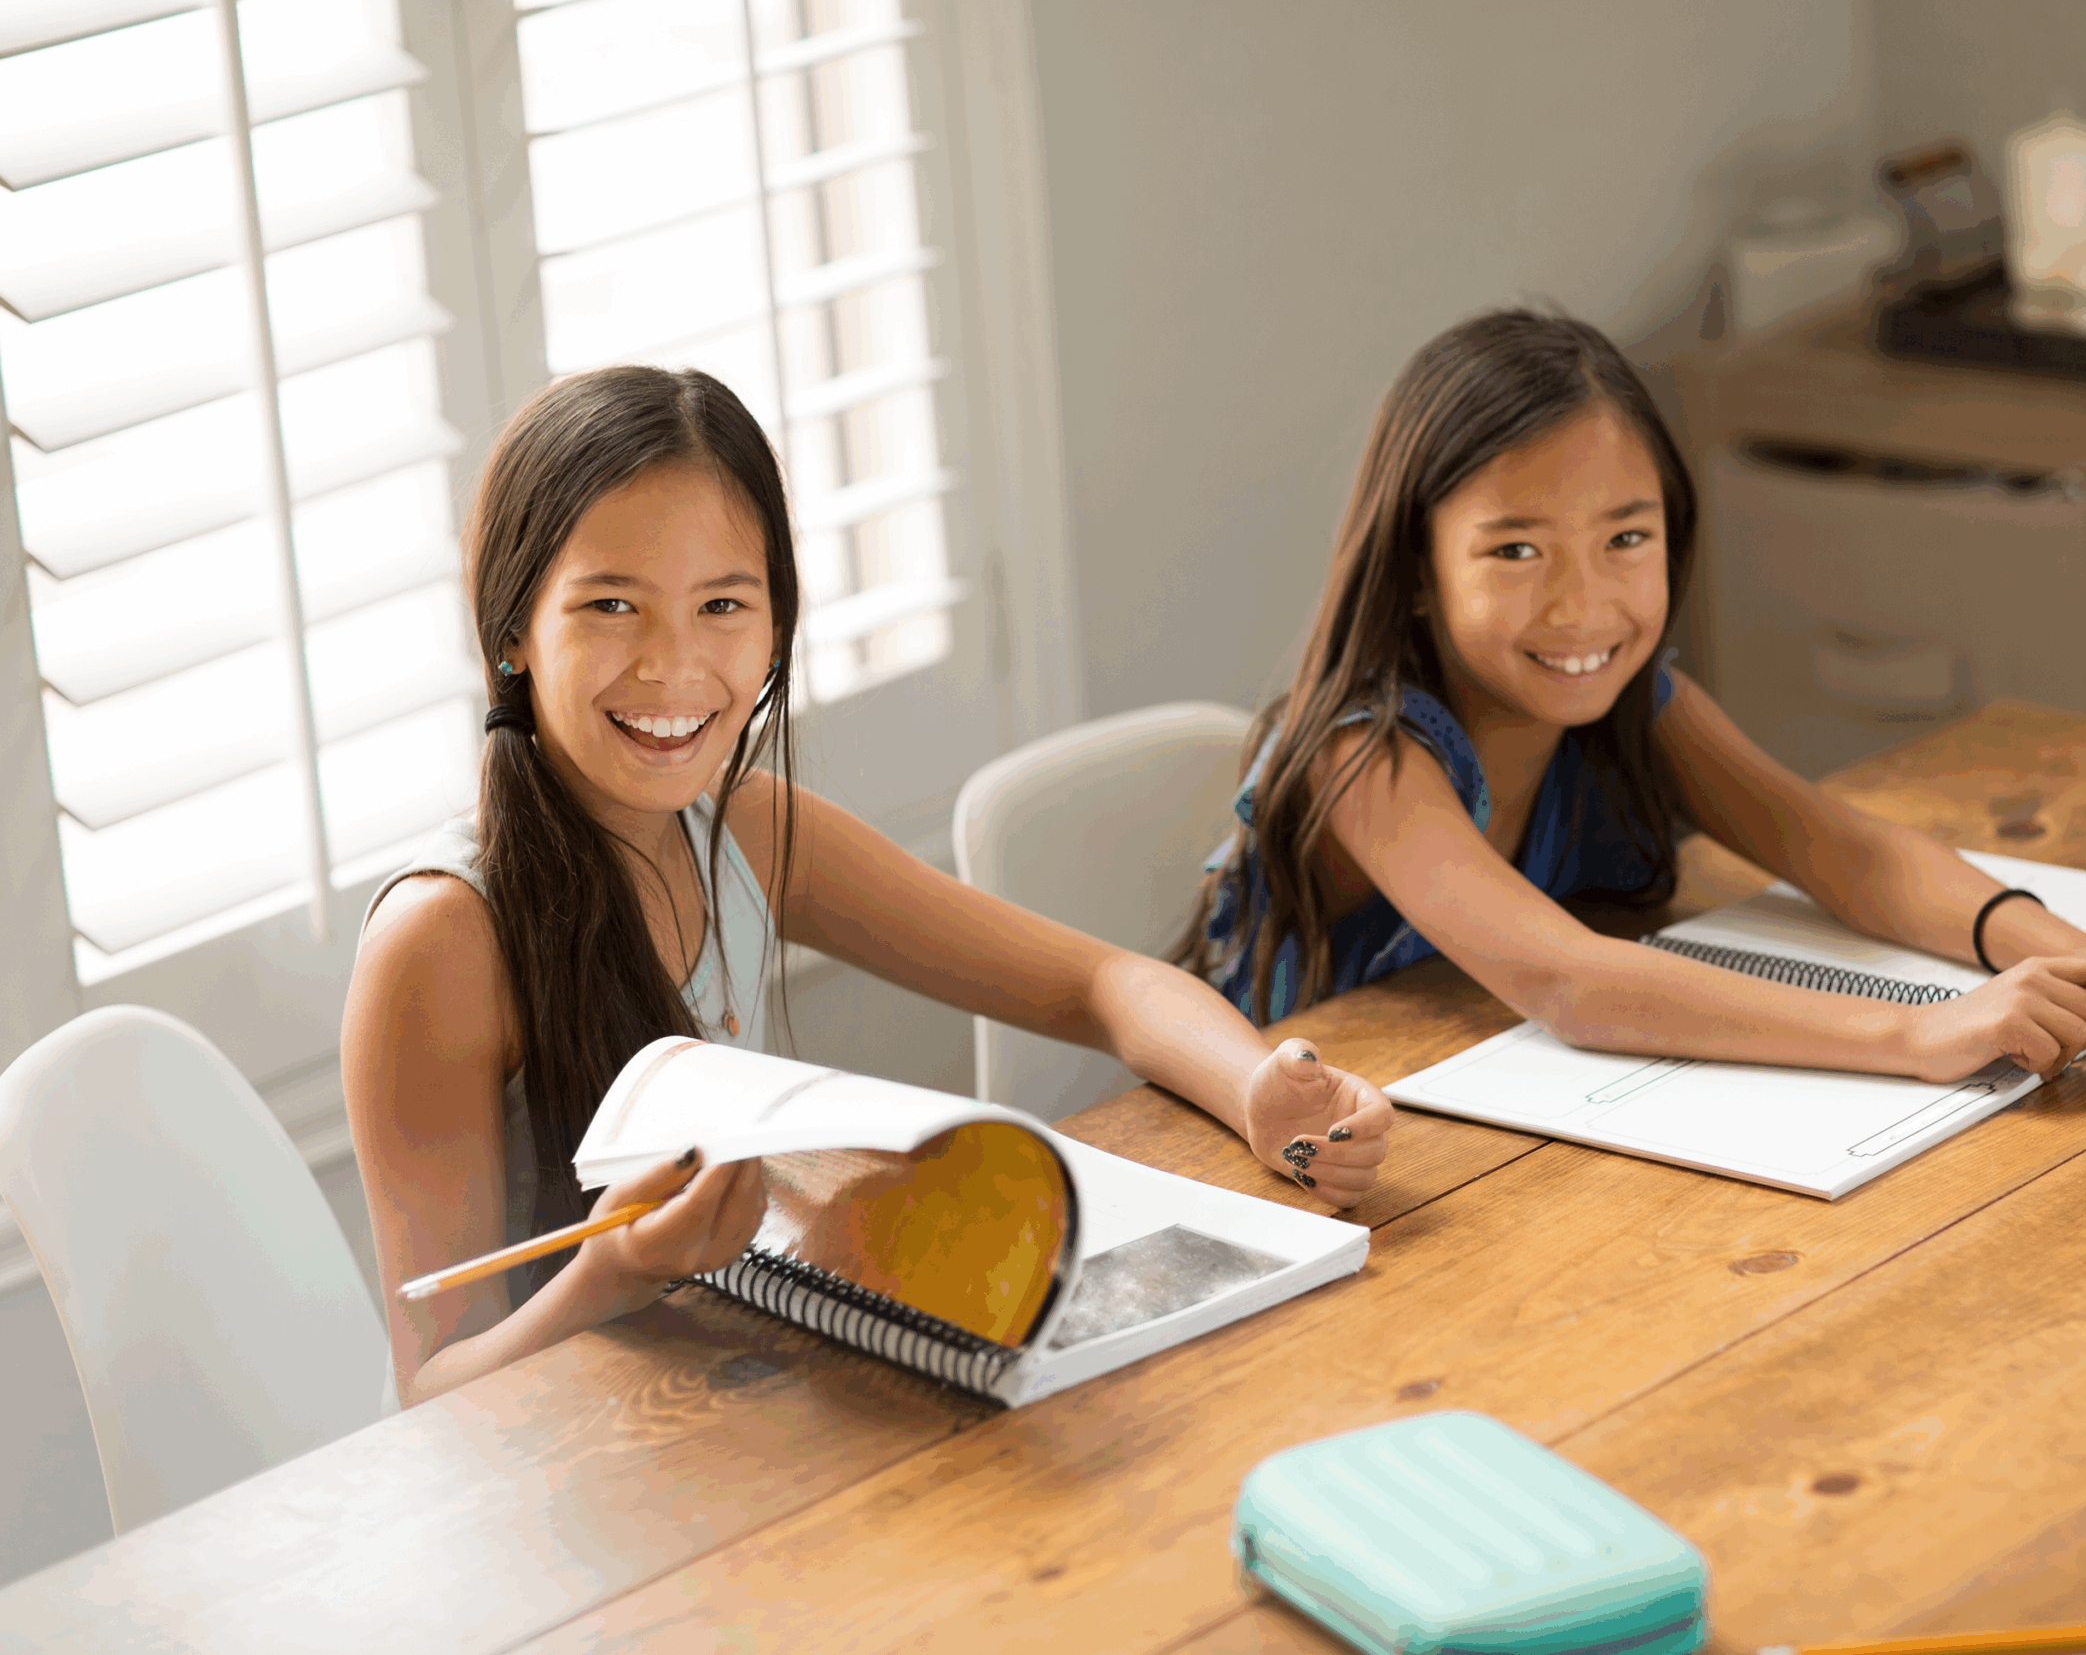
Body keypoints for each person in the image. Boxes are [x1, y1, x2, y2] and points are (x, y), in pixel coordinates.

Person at [344, 367, 1392, 1406]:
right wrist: (618, 1269)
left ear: (776, 627)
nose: (673, 666)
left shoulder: (746, 829)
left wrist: (1254, 1091)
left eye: (722, 605)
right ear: (512, 629)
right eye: (612, 605)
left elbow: (1095, 984)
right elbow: (433, 1388)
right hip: (564, 1480)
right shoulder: (441, 938)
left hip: (731, 1405)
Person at [1173, 307, 2086, 1087]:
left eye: (1626, 538)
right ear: (1413, 570)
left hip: (1501, 1105)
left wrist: (2076, 957)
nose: (1582, 605)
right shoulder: (1364, 759)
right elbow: (1569, 983)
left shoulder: (1645, 707)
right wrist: (1922, 1031)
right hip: (1295, 1165)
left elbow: (1845, 853)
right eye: (1515, 549)